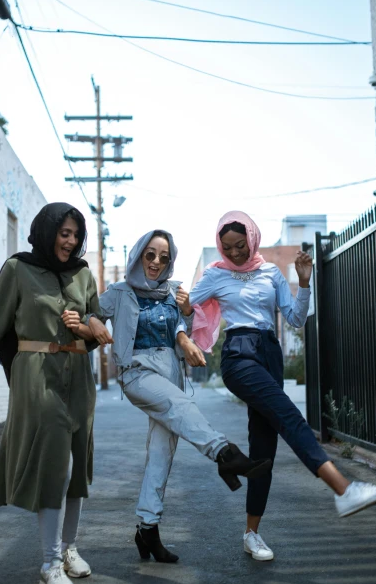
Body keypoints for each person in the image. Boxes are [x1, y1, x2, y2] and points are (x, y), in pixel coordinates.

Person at [185, 210, 376, 562]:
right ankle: (343, 489)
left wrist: (305, 282)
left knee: (264, 449)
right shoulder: (215, 275)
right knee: (290, 416)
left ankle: (252, 534)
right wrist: (184, 333)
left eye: (240, 245)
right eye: (227, 247)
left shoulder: (271, 272)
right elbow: (185, 306)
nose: (234, 253)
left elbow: (295, 319)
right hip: (238, 356)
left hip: (269, 355)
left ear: (252, 239)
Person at [0, 203, 112, 584]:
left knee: (77, 465)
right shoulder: (18, 269)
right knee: (56, 465)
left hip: (78, 376)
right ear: (47, 231)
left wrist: (89, 326)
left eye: (76, 234)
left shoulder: (81, 273)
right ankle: (49, 563)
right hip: (37, 373)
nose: (71, 241)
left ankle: (70, 547)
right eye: (64, 233)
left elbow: (97, 327)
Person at [98, 229, 271, 563]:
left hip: (171, 371)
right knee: (181, 406)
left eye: (164, 257)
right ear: (138, 255)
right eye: (150, 255)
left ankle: (147, 528)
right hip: (138, 371)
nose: (156, 262)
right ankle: (224, 452)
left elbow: (188, 331)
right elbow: (93, 313)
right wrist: (92, 323)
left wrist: (189, 312)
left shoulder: (174, 292)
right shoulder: (119, 292)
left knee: (161, 453)